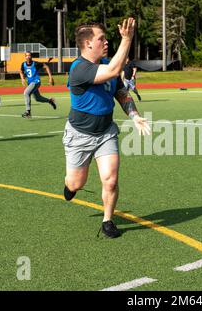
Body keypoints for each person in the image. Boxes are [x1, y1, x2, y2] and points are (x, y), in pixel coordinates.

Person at [63, 19, 151, 239]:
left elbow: (121, 93)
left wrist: (134, 115)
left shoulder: (107, 65)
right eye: (101, 38)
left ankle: (108, 220)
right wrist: (127, 39)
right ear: (87, 44)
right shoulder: (79, 68)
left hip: (105, 132)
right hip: (79, 135)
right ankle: (71, 186)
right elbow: (113, 71)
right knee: (76, 182)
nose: (106, 41)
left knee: (110, 180)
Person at [19, 51, 57, 118]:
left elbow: (46, 67)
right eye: (27, 55)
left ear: (31, 56)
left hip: (36, 82)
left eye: (29, 55)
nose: (28, 57)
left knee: (26, 93)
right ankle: (50, 101)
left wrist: (50, 78)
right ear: (25, 57)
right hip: (30, 83)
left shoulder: (35, 63)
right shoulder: (23, 64)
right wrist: (22, 79)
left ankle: (28, 112)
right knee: (38, 98)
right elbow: (21, 71)